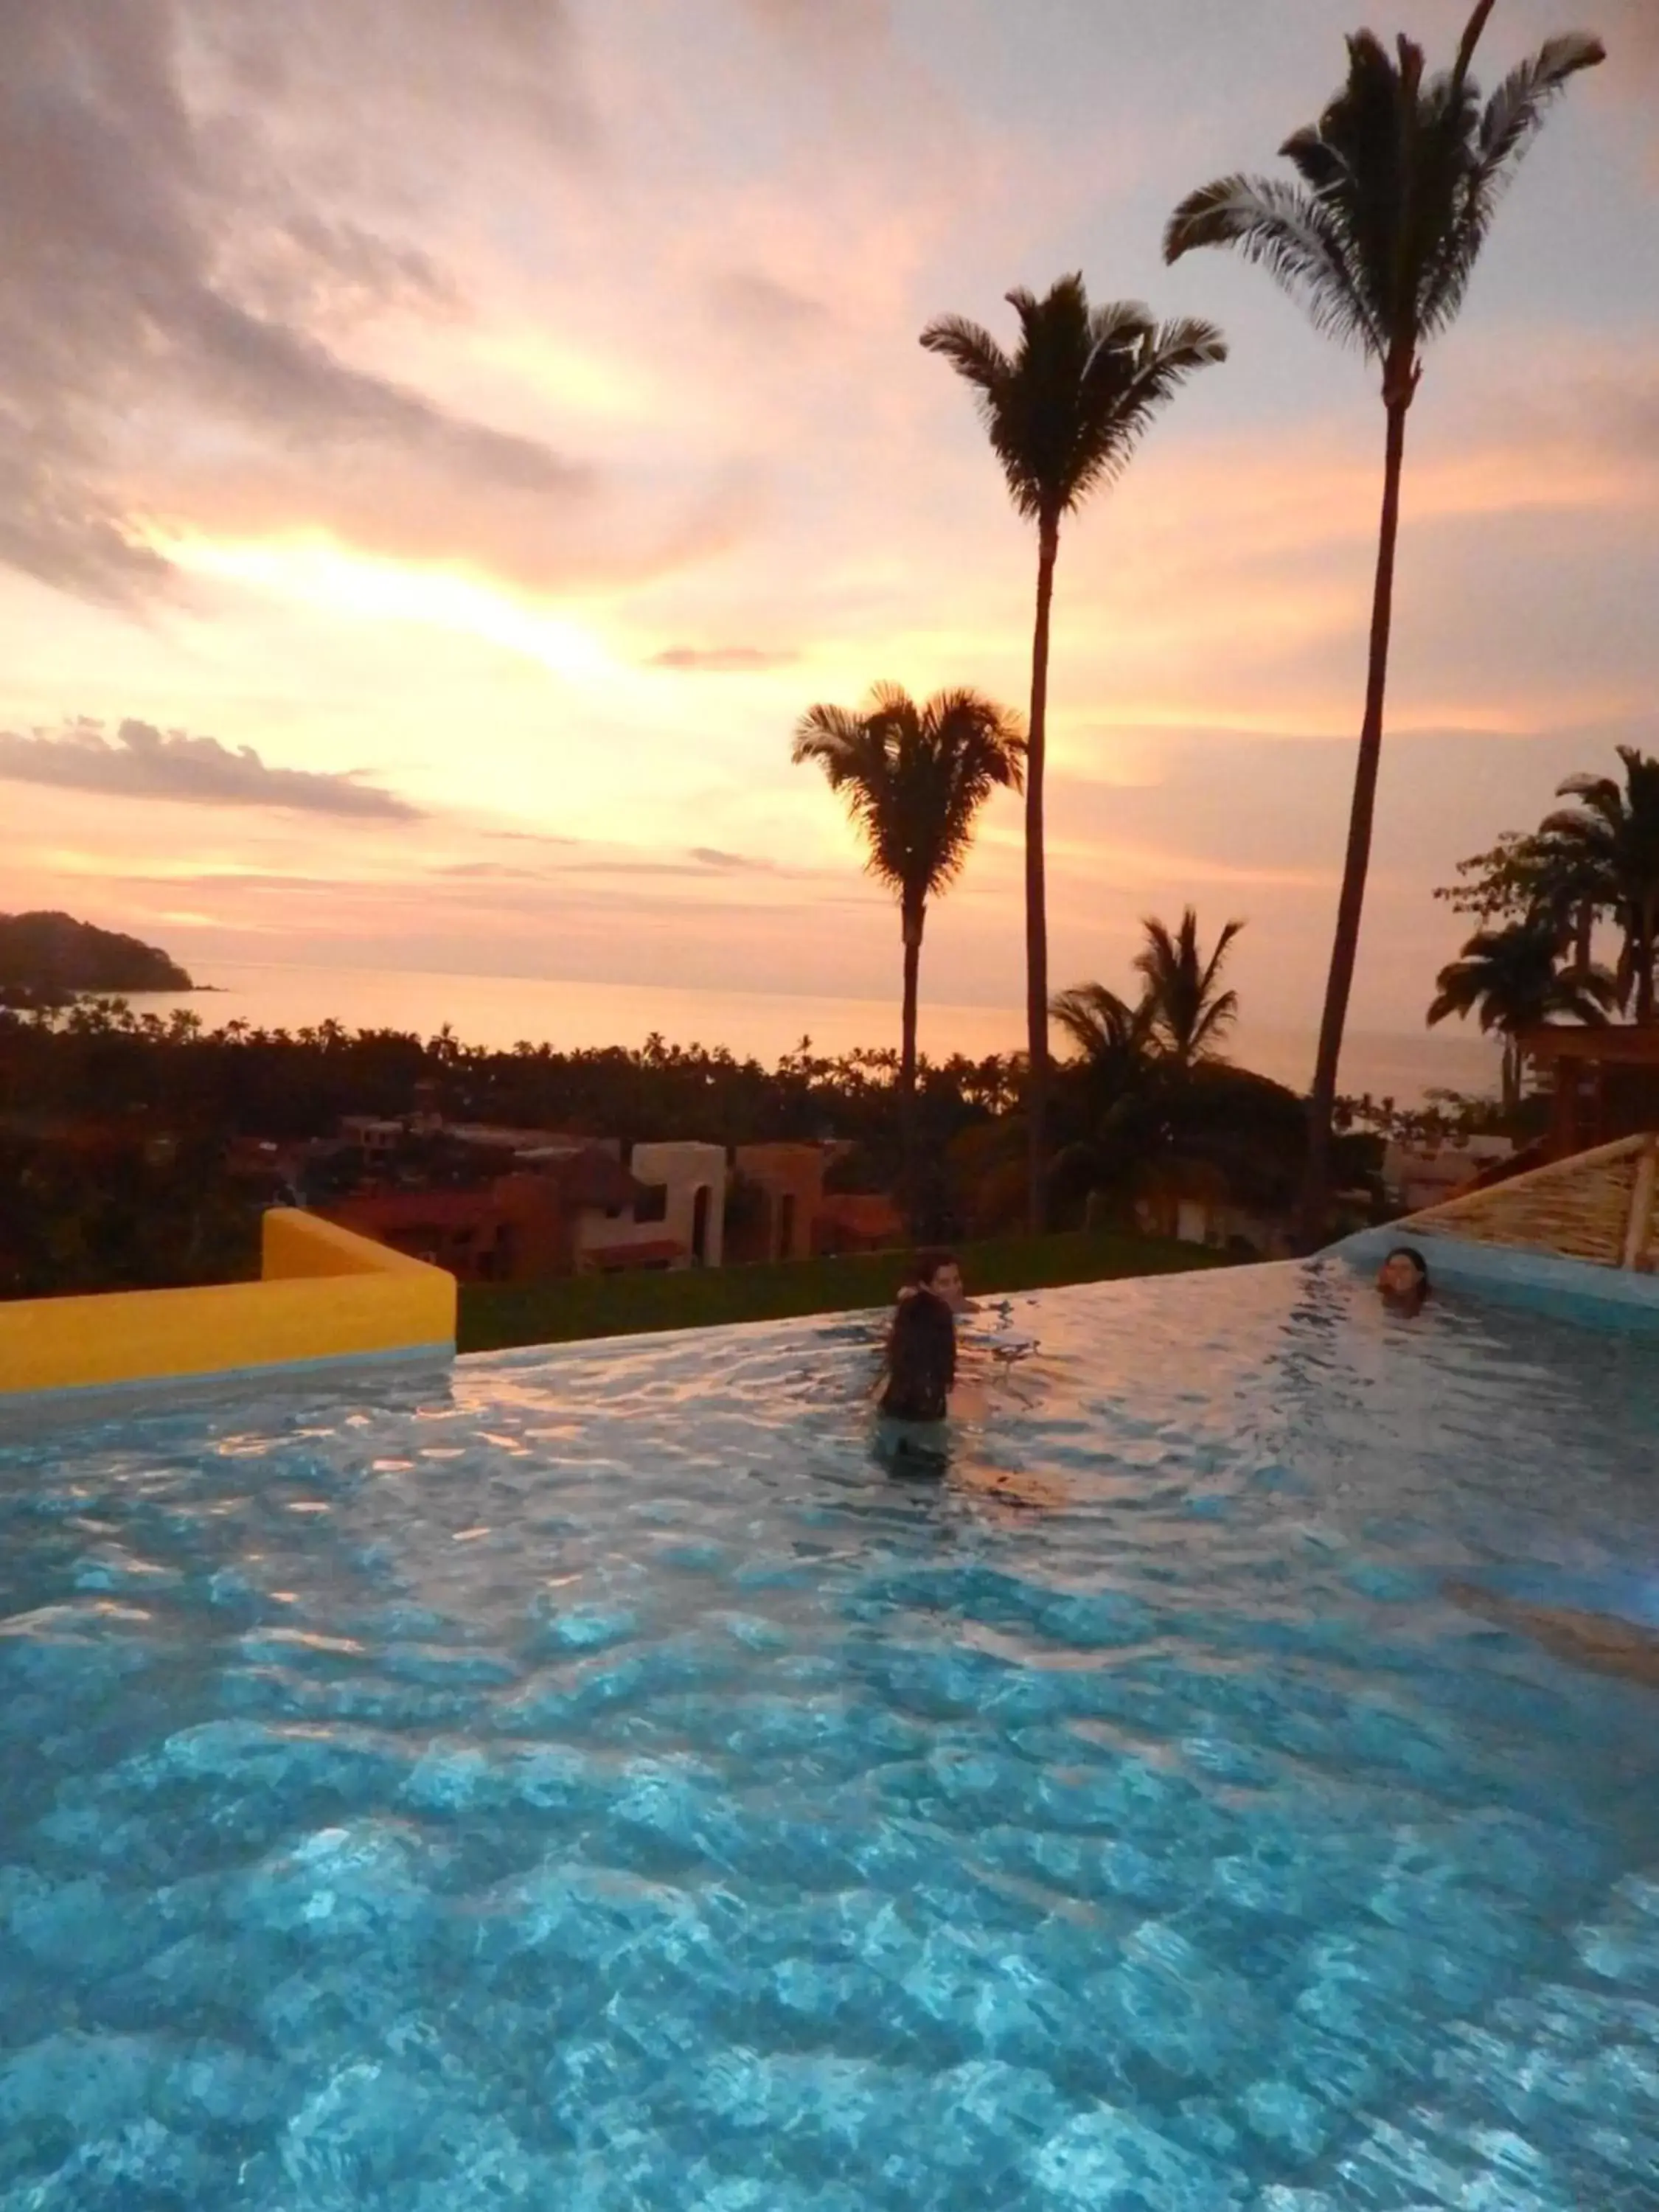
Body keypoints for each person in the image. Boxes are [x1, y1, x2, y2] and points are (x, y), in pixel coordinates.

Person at [878, 1250, 964, 1425]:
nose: (954, 1288)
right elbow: (947, 1362)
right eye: (944, 1283)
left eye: (956, 1280)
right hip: (926, 1406)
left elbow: (896, 1356)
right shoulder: (942, 1313)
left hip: (894, 1402)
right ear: (925, 1286)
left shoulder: (907, 1308)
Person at [1377, 1245, 1430, 1315]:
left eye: (1405, 1268)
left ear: (1419, 1276)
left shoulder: (1432, 1305)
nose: (1398, 1273)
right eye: (1393, 1268)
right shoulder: (1374, 1295)